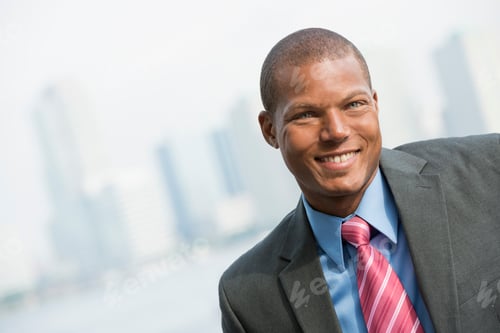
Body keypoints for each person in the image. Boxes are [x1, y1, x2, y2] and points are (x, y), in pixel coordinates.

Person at [218, 27, 500, 333]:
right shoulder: (248, 297)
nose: (337, 131)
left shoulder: (487, 173)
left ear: (375, 103)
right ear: (269, 130)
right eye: (306, 115)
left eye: (353, 104)